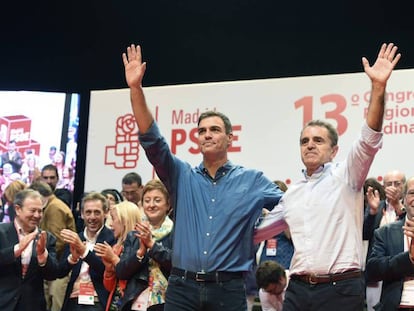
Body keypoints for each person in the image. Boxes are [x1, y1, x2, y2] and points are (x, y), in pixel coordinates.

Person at [122, 44, 283, 310]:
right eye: (202, 130)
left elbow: (292, 209)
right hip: (182, 288)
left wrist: (257, 231)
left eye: (215, 129)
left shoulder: (252, 180)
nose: (207, 134)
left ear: (230, 138)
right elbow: (152, 139)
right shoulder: (181, 175)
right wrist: (136, 89)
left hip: (228, 289)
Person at [254, 42, 401, 311]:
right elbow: (257, 233)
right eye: (304, 141)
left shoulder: (348, 175)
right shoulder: (292, 194)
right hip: (297, 289)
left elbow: (369, 139)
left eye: (318, 140)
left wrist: (378, 87)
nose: (310, 144)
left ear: (334, 150)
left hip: (341, 290)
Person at [115, 179, 173, 311]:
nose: (151, 205)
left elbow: (179, 265)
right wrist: (140, 253)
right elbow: (121, 271)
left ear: (168, 204)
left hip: (168, 301)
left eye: (157, 200)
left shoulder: (178, 232)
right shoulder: (134, 234)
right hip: (136, 300)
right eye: (147, 201)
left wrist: (152, 245)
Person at [0, 188, 59, 311]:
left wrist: (43, 256)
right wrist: (16, 249)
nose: (37, 215)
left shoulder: (47, 238)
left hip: (32, 305)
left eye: (40, 211)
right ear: (18, 209)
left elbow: (52, 274)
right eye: (32, 210)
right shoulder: (1, 232)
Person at [57, 191, 116, 311]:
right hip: (73, 299)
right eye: (88, 212)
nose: (92, 217)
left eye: (97, 212)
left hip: (98, 300)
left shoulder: (112, 238)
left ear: (105, 213)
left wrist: (83, 251)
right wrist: (72, 259)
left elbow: (105, 270)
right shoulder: (76, 238)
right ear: (82, 214)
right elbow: (60, 271)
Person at [365, 176, 414, 311]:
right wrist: (408, 259)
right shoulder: (385, 232)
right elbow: (372, 270)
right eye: (412, 193)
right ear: (403, 198)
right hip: (396, 305)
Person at [29, 180, 77, 311]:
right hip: (56, 263)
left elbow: (57, 240)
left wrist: (48, 261)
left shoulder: (54, 207)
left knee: (55, 304)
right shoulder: (52, 206)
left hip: (60, 264)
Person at [94, 201, 143, 311]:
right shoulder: (116, 247)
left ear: (124, 220)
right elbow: (109, 287)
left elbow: (128, 275)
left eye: (113, 218)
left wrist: (113, 258)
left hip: (132, 304)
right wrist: (108, 269)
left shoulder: (140, 245)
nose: (111, 224)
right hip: (115, 304)